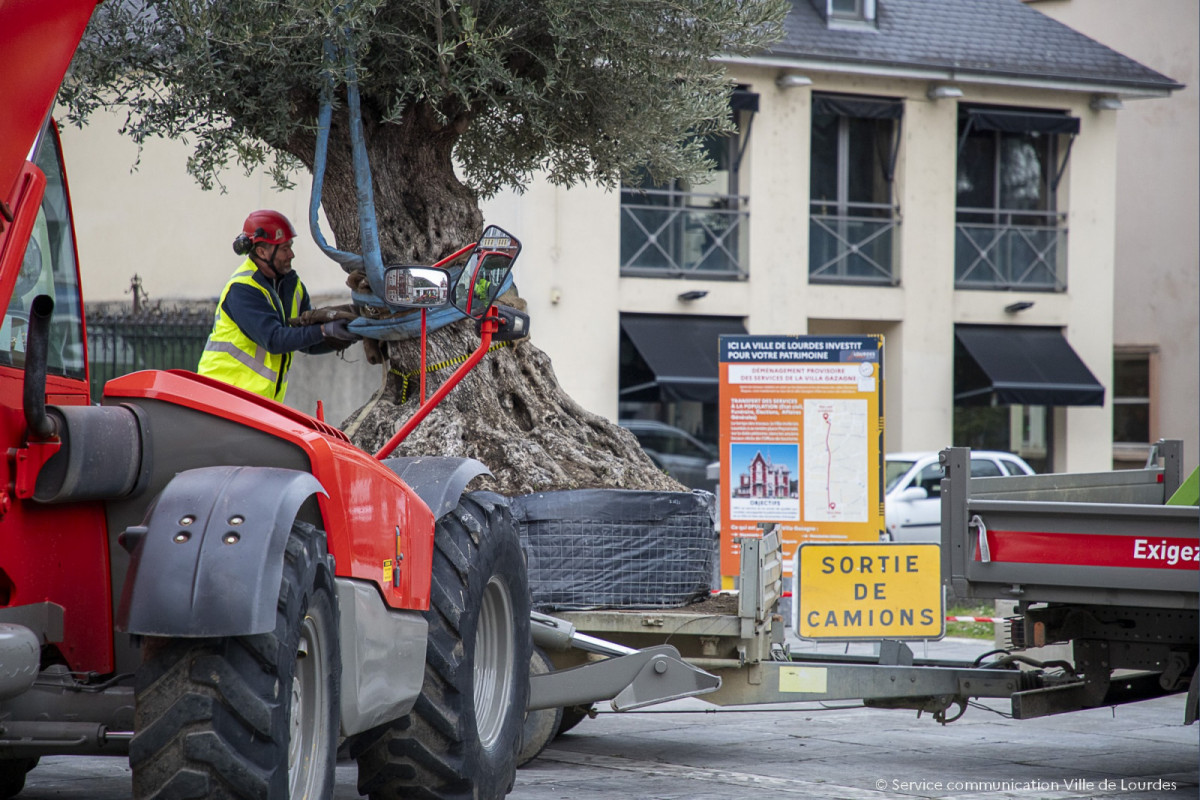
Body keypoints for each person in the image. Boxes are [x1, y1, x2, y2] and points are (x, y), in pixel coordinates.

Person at [197, 209, 358, 401]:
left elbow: (307, 342)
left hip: (257, 404)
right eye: (284, 248)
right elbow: (274, 340)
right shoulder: (243, 289)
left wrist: (351, 332)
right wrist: (325, 330)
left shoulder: (292, 287)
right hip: (221, 397)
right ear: (261, 251)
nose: (291, 254)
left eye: (290, 246)